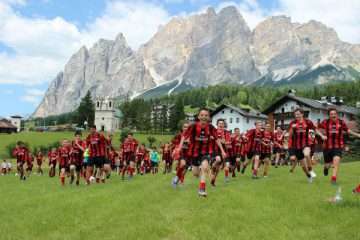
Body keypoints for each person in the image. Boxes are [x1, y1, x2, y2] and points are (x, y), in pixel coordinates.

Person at [179, 108, 226, 197]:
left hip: (205, 152)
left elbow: (217, 139)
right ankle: (200, 173)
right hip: (194, 153)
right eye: (202, 115)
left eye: (206, 115)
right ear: (198, 116)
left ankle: (202, 190)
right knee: (196, 173)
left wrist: (223, 151)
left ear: (208, 117)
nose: (204, 117)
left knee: (205, 167)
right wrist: (179, 148)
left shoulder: (211, 127)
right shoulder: (193, 126)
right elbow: (184, 136)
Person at [319, 108, 360, 184]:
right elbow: (317, 128)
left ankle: (333, 179)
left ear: (337, 114)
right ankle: (326, 168)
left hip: (338, 146)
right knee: (328, 165)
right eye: (331, 114)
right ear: (329, 115)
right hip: (327, 147)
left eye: (334, 114)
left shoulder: (341, 122)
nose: (333, 115)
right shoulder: (325, 122)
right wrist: (321, 135)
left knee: (336, 161)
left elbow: (348, 130)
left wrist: (357, 134)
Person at [288, 108, 326, 183]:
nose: (297, 116)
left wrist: (321, 135)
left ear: (302, 114)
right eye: (295, 114)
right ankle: (308, 175)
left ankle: (311, 170)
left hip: (305, 144)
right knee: (303, 167)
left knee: (307, 154)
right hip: (296, 146)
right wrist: (292, 128)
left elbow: (315, 130)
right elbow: (289, 135)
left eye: (298, 114)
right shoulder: (292, 123)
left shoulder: (308, 122)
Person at [210, 119, 232, 185]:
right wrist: (215, 139)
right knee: (218, 160)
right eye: (219, 123)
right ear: (217, 124)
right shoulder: (214, 131)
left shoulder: (227, 133)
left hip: (223, 151)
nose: (221, 124)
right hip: (215, 150)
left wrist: (224, 142)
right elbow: (210, 138)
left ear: (224, 125)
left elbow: (228, 142)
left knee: (218, 168)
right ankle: (212, 167)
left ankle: (213, 180)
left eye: (222, 123)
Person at [171, 122, 191, 186]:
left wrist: (189, 143)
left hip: (189, 154)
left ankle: (179, 180)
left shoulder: (192, 136)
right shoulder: (179, 135)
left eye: (188, 127)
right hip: (181, 152)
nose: (186, 128)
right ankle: (177, 178)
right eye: (185, 127)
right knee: (182, 164)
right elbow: (173, 142)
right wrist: (175, 148)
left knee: (185, 168)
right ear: (182, 128)